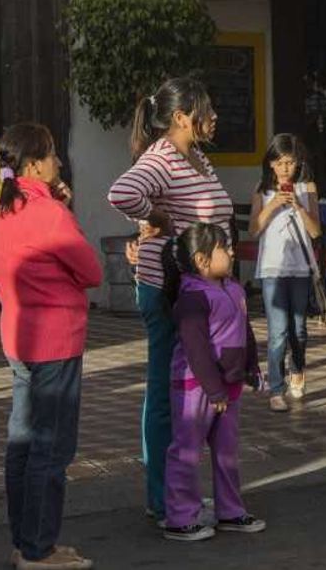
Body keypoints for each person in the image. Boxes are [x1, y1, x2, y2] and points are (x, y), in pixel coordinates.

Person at [107, 78, 232, 526]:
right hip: (168, 290)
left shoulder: (196, 157)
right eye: (206, 108)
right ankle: (162, 499)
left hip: (200, 294)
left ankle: (179, 492)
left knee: (191, 393)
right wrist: (157, 217)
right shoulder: (161, 157)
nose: (214, 116)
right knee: (167, 393)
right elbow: (122, 193)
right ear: (181, 117)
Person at [0, 123, 102, 570]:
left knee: (22, 443)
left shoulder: (0, 210)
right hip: (55, 340)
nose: (58, 161)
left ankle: (27, 542)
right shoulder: (49, 213)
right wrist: (62, 211)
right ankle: (38, 550)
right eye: (51, 154)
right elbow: (91, 271)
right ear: (34, 165)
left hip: (17, 336)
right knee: (50, 450)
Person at [160, 222, 266, 542]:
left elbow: (244, 332)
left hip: (227, 386)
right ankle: (180, 517)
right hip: (197, 388)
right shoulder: (193, 298)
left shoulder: (233, 288)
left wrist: (251, 368)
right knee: (187, 451)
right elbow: (196, 350)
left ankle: (230, 511)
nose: (232, 252)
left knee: (227, 452)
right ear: (201, 259)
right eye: (225, 247)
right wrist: (214, 390)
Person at [249, 133, 321, 413]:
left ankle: (298, 368)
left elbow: (315, 231)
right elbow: (254, 230)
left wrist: (298, 206)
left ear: (298, 163)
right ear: (270, 164)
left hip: (300, 268)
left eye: (289, 162)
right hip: (272, 269)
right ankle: (276, 389)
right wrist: (273, 204)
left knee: (299, 330)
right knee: (277, 332)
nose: (284, 169)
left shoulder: (307, 187)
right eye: (279, 163)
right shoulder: (262, 189)